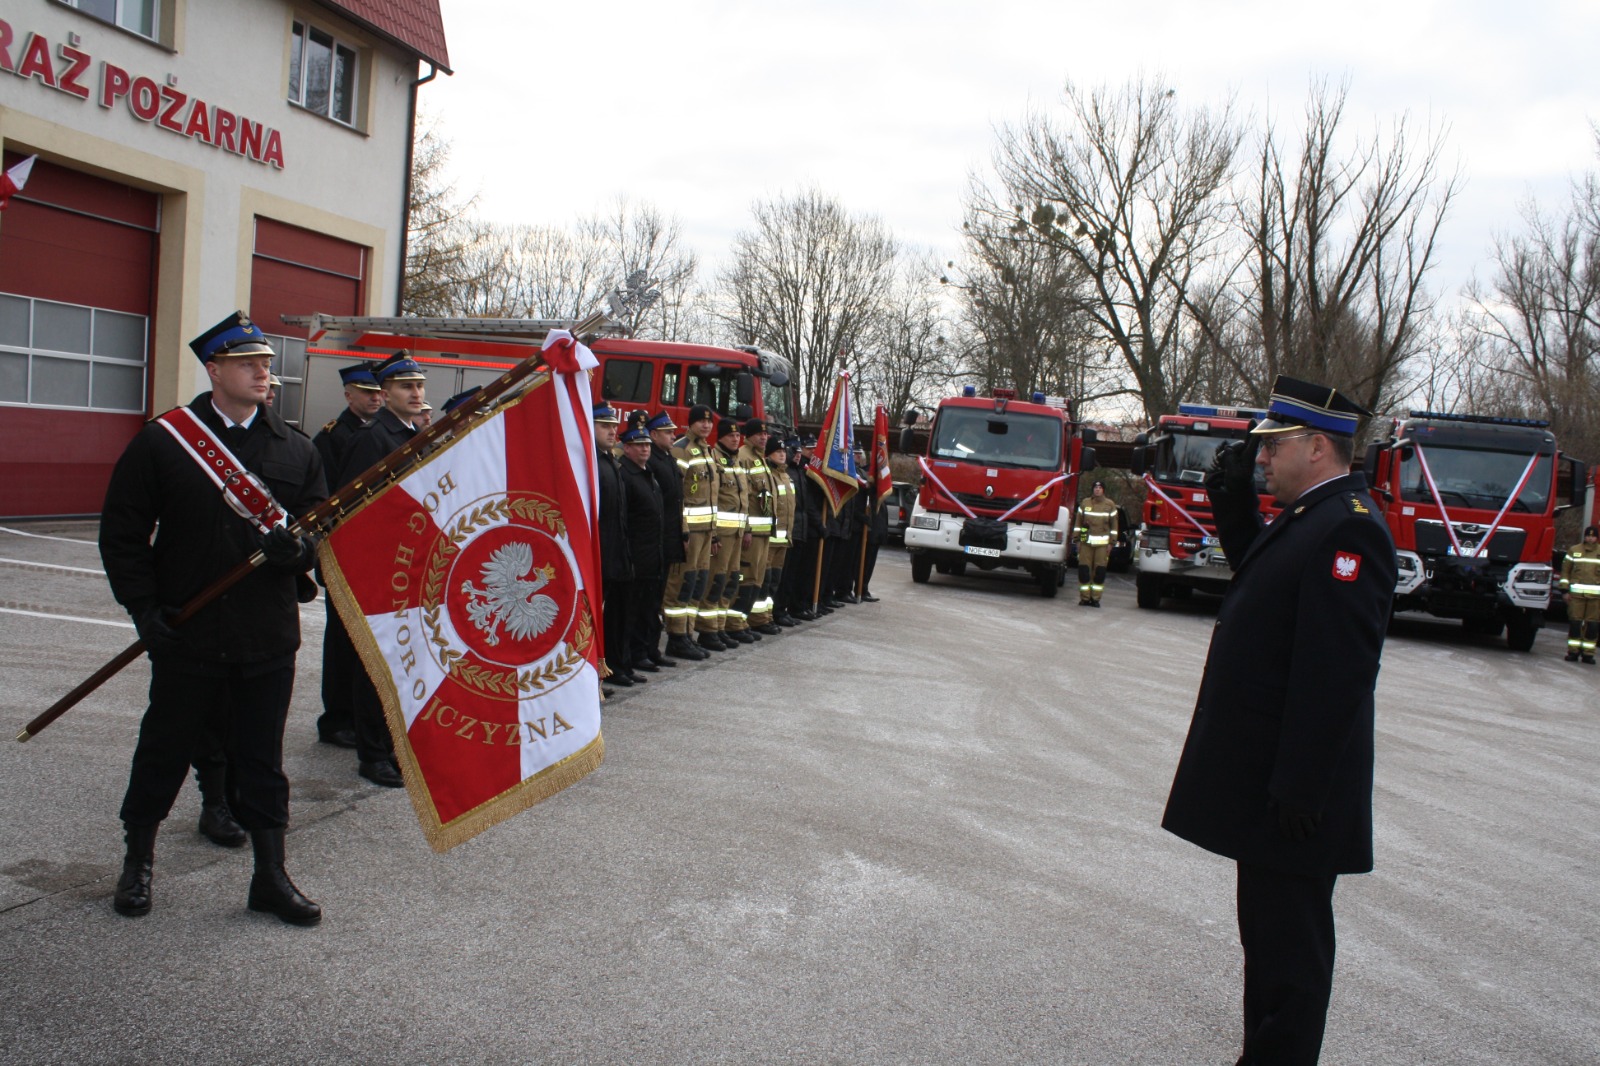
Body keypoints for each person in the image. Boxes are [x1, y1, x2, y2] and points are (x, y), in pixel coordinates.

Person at [1162, 375, 1396, 1065]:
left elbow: (1337, 674)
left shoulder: (1349, 527)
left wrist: (1300, 787)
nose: (1261, 457)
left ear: (1317, 447)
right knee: (1265, 944)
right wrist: (1233, 504)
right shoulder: (1311, 517)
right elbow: (1266, 586)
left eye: (1273, 446)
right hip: (1274, 787)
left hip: (1297, 797)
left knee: (1291, 959)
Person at [99, 311, 327, 925]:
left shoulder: (296, 448)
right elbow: (122, 533)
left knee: (261, 760)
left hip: (265, 634)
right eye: (248, 363)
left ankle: (270, 876)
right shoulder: (164, 441)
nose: (263, 372)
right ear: (214, 369)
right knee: (164, 750)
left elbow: (319, 532)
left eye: (266, 363)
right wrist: (143, 607)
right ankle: (137, 862)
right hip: (188, 631)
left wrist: (297, 552)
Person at [334, 351, 429, 787]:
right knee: (376, 663)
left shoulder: (413, 434)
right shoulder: (374, 438)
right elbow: (352, 509)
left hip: (408, 564)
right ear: (385, 393)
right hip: (381, 566)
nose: (416, 393)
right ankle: (372, 752)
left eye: (419, 385)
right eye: (406, 386)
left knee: (400, 663)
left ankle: (392, 743)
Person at [309, 361, 381, 750]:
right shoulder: (333, 438)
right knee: (341, 642)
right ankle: (336, 719)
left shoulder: (379, 432)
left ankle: (357, 715)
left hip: (369, 555)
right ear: (348, 395)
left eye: (378, 392)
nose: (375, 398)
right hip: (343, 551)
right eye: (366, 392)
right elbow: (325, 500)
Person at [664, 404, 719, 660]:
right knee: (682, 583)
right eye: (701, 421)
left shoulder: (708, 450)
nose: (706, 425)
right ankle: (675, 637)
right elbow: (677, 493)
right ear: (691, 423)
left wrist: (714, 532)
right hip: (690, 531)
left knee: (698, 583)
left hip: (706, 531)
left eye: (709, 422)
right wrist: (682, 531)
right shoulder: (681, 448)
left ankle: (687, 633)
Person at [591, 401, 638, 685]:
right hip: (598, 553)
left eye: (613, 426)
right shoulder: (591, 462)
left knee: (612, 615)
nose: (612, 432)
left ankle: (607, 667)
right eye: (604, 426)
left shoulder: (609, 461)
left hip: (614, 552)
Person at [617, 418, 667, 677]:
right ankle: (625, 661)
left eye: (647, 444)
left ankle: (641, 653)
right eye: (638, 445)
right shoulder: (625, 474)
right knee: (629, 613)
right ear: (626, 448)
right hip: (635, 556)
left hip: (651, 554)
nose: (645, 449)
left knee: (647, 608)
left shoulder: (647, 473)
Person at [697, 418, 748, 651]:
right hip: (722, 534)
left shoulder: (736, 461)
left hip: (737, 533)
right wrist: (714, 534)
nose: (735, 439)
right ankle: (707, 630)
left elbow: (742, 500)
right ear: (721, 437)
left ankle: (720, 626)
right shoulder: (714, 458)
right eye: (730, 436)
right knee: (715, 581)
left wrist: (745, 529)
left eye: (737, 436)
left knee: (730, 581)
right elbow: (713, 497)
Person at [640, 411, 684, 669]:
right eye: (667, 432)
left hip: (668, 538)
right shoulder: (653, 461)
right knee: (648, 601)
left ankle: (652, 648)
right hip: (655, 540)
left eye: (672, 432)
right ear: (654, 435)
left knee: (658, 599)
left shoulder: (667, 458)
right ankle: (643, 650)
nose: (672, 436)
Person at [733, 418, 779, 637]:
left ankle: (745, 621)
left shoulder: (760, 458)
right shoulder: (743, 457)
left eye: (765, 434)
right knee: (746, 577)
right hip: (751, 532)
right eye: (759, 434)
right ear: (749, 436)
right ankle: (734, 623)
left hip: (764, 532)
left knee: (758, 579)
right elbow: (742, 496)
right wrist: (747, 529)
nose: (763, 437)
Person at [1559, 525, 1600, 663]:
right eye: (1588, 535)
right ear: (1585, 536)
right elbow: (1565, 571)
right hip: (1576, 597)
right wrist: (1564, 591)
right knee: (1575, 624)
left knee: (1592, 626)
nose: (1590, 538)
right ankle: (1573, 652)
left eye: (1593, 536)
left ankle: (1588, 654)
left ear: (1597, 538)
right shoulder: (1574, 550)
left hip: (1596, 598)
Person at [1075, 479, 1120, 607]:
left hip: (1102, 546)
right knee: (1084, 571)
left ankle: (1095, 599)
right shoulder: (1085, 503)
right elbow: (1078, 523)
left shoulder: (1110, 505)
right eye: (1095, 487)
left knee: (1099, 572)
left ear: (1103, 490)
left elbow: (1114, 526)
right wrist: (1077, 540)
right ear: (1093, 489)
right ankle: (1084, 598)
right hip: (1085, 543)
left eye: (1100, 488)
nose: (1097, 489)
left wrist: (1111, 543)